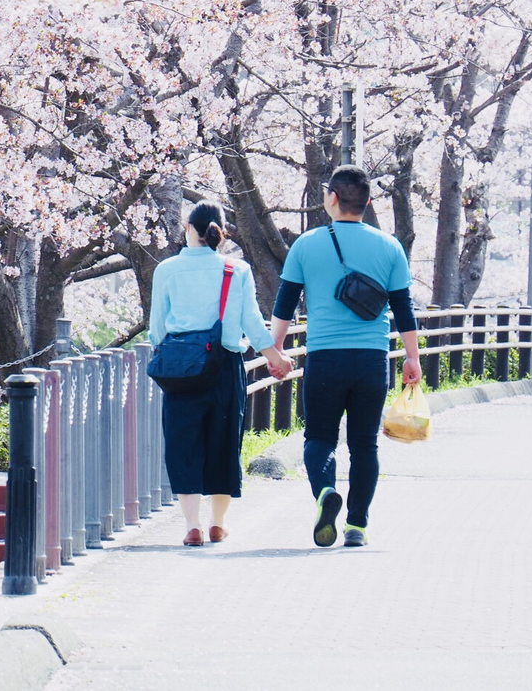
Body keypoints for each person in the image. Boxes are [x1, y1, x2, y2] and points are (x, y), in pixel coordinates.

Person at [270, 165, 421, 549]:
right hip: (371, 361)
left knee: (319, 438)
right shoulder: (390, 248)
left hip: (324, 359)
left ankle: (324, 491)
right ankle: (357, 524)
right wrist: (412, 358)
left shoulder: (306, 244)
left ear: (332, 198)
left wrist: (276, 352)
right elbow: (404, 308)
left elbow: (285, 305)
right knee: (364, 445)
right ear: (367, 202)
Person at [149, 203, 293, 547]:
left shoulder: (167, 269)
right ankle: (218, 523)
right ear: (221, 231)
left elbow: (157, 329)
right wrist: (274, 356)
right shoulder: (236, 270)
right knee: (223, 441)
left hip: (181, 367)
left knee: (183, 443)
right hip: (224, 365)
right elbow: (251, 322)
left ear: (188, 227)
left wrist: (170, 353)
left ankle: (191, 526)